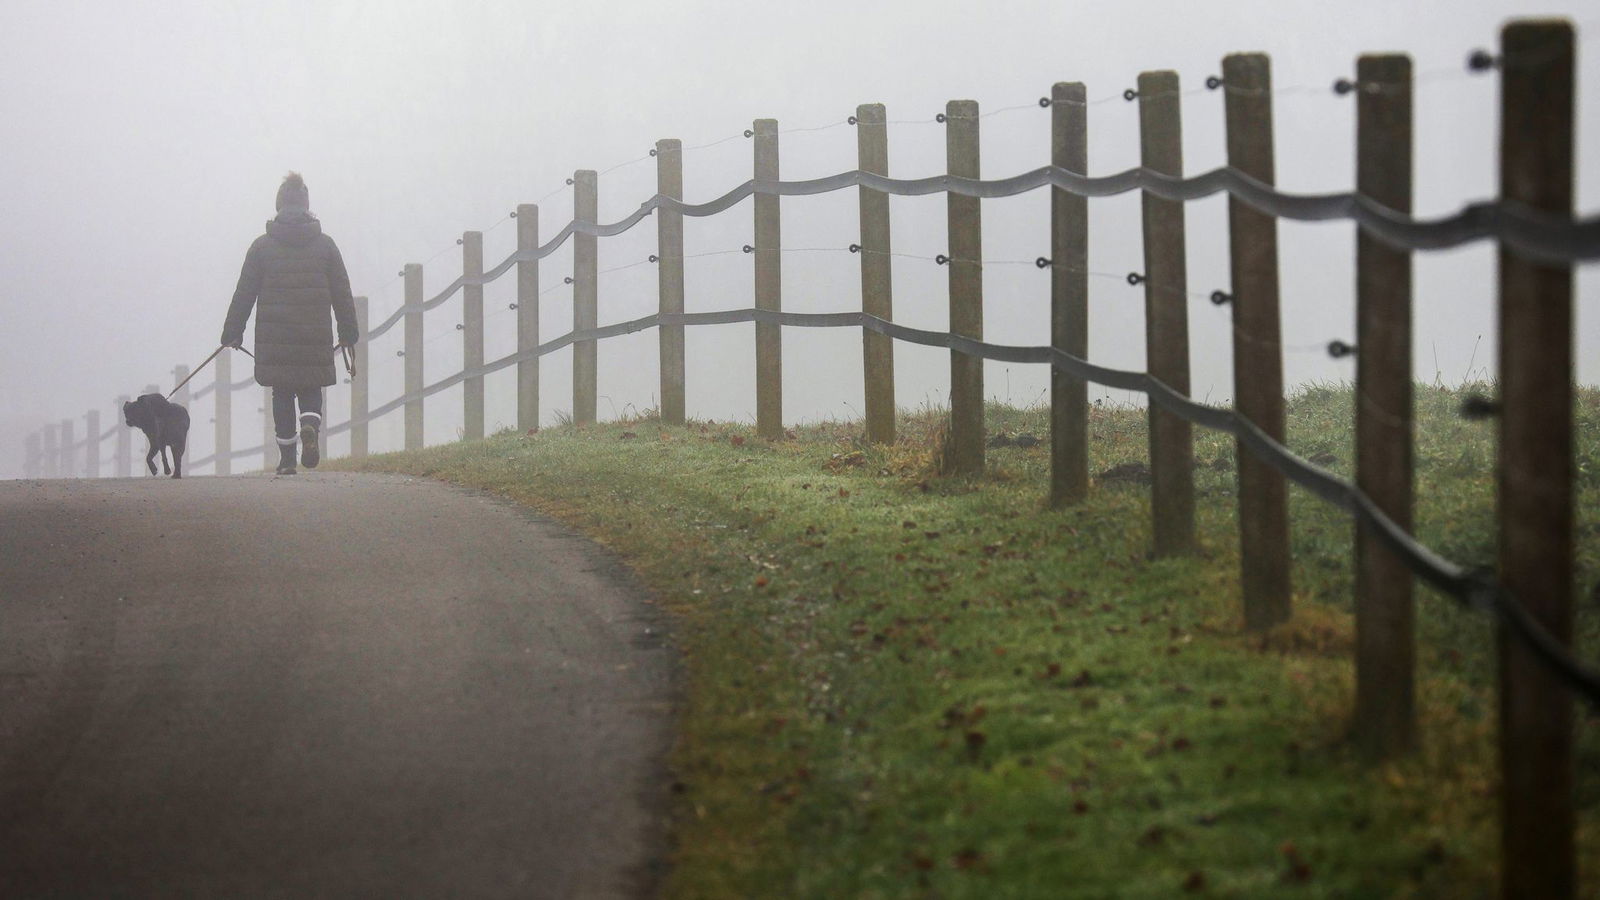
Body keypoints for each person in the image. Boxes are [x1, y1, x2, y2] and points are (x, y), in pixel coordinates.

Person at [222, 172, 358, 475]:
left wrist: (233, 331)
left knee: (281, 392)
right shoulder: (326, 246)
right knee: (310, 387)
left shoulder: (261, 247)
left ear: (279, 205)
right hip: (314, 333)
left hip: (275, 335)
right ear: (306, 206)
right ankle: (309, 425)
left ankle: (286, 460)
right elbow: (342, 292)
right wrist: (348, 331)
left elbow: (244, 292)